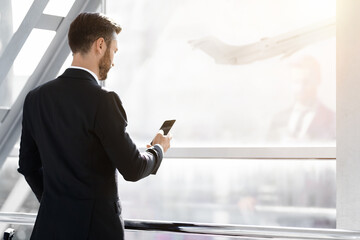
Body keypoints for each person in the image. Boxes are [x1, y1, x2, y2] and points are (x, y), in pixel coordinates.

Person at [18, 12, 172, 240]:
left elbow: (28, 166)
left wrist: (57, 205)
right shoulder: (103, 100)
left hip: (49, 229)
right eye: (114, 51)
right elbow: (133, 168)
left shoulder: (36, 98)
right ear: (100, 45)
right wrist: (158, 149)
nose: (113, 60)